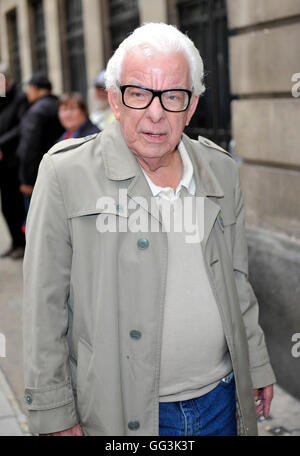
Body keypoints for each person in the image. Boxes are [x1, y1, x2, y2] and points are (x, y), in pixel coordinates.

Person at [23, 23, 276, 437]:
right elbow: (43, 303)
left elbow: (236, 280)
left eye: (173, 96)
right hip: (118, 411)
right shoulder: (65, 172)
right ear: (114, 100)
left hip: (220, 402)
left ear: (191, 106)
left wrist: (257, 362)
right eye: (139, 93)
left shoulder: (220, 171)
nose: (155, 113)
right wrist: (53, 410)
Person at [16, 72, 64, 217]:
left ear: (36, 89)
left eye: (29, 89)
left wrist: (26, 180)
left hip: (37, 176)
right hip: (58, 170)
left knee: (36, 220)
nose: (28, 93)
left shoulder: (36, 111)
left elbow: (29, 147)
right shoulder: (59, 104)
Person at [0, 63, 29, 259]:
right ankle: (14, 241)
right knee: (6, 205)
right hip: (2, 161)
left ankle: (23, 244)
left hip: (14, 160)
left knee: (16, 204)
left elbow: (21, 127)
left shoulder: (20, 97)